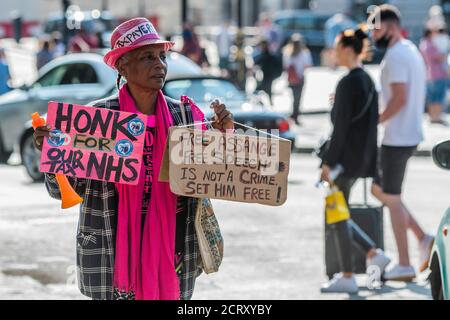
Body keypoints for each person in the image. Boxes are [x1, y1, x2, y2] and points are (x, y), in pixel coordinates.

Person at [33, 18, 234, 300]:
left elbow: (209, 180)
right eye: (147, 57)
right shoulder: (97, 119)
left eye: (162, 56)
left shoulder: (185, 117)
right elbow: (62, 191)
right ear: (122, 66)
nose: (160, 64)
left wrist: (224, 139)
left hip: (173, 254)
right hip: (111, 256)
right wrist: (52, 154)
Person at [319, 28, 390, 294]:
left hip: (342, 162)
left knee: (336, 215)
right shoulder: (367, 81)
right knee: (340, 212)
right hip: (359, 159)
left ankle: (348, 274)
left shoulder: (348, 82)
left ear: (349, 50)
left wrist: (328, 162)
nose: (335, 55)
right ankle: (373, 253)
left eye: (338, 49)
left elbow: (341, 130)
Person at [368, 5, 434, 281]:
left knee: (391, 199)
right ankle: (423, 238)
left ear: (391, 26)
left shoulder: (395, 55)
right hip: (407, 135)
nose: (373, 34)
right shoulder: (410, 49)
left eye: (376, 28)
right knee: (379, 190)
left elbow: (399, 99)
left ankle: (405, 263)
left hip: (397, 138)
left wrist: (374, 122)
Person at [420, 27, 448, 124]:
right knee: (438, 97)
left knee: (432, 98)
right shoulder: (430, 45)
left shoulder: (423, 45)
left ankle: (433, 116)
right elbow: (440, 57)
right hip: (437, 74)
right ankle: (436, 117)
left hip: (429, 75)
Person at [283, 33, 312, 125]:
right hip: (300, 78)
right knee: (298, 98)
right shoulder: (304, 53)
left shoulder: (287, 52)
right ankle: (295, 115)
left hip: (291, 79)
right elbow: (307, 65)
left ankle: (293, 114)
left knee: (293, 97)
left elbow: (285, 66)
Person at [254, 39, 280, 104]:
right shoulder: (263, 54)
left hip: (268, 75)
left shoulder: (267, 54)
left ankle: (268, 104)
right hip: (265, 75)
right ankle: (266, 103)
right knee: (263, 90)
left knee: (263, 90)